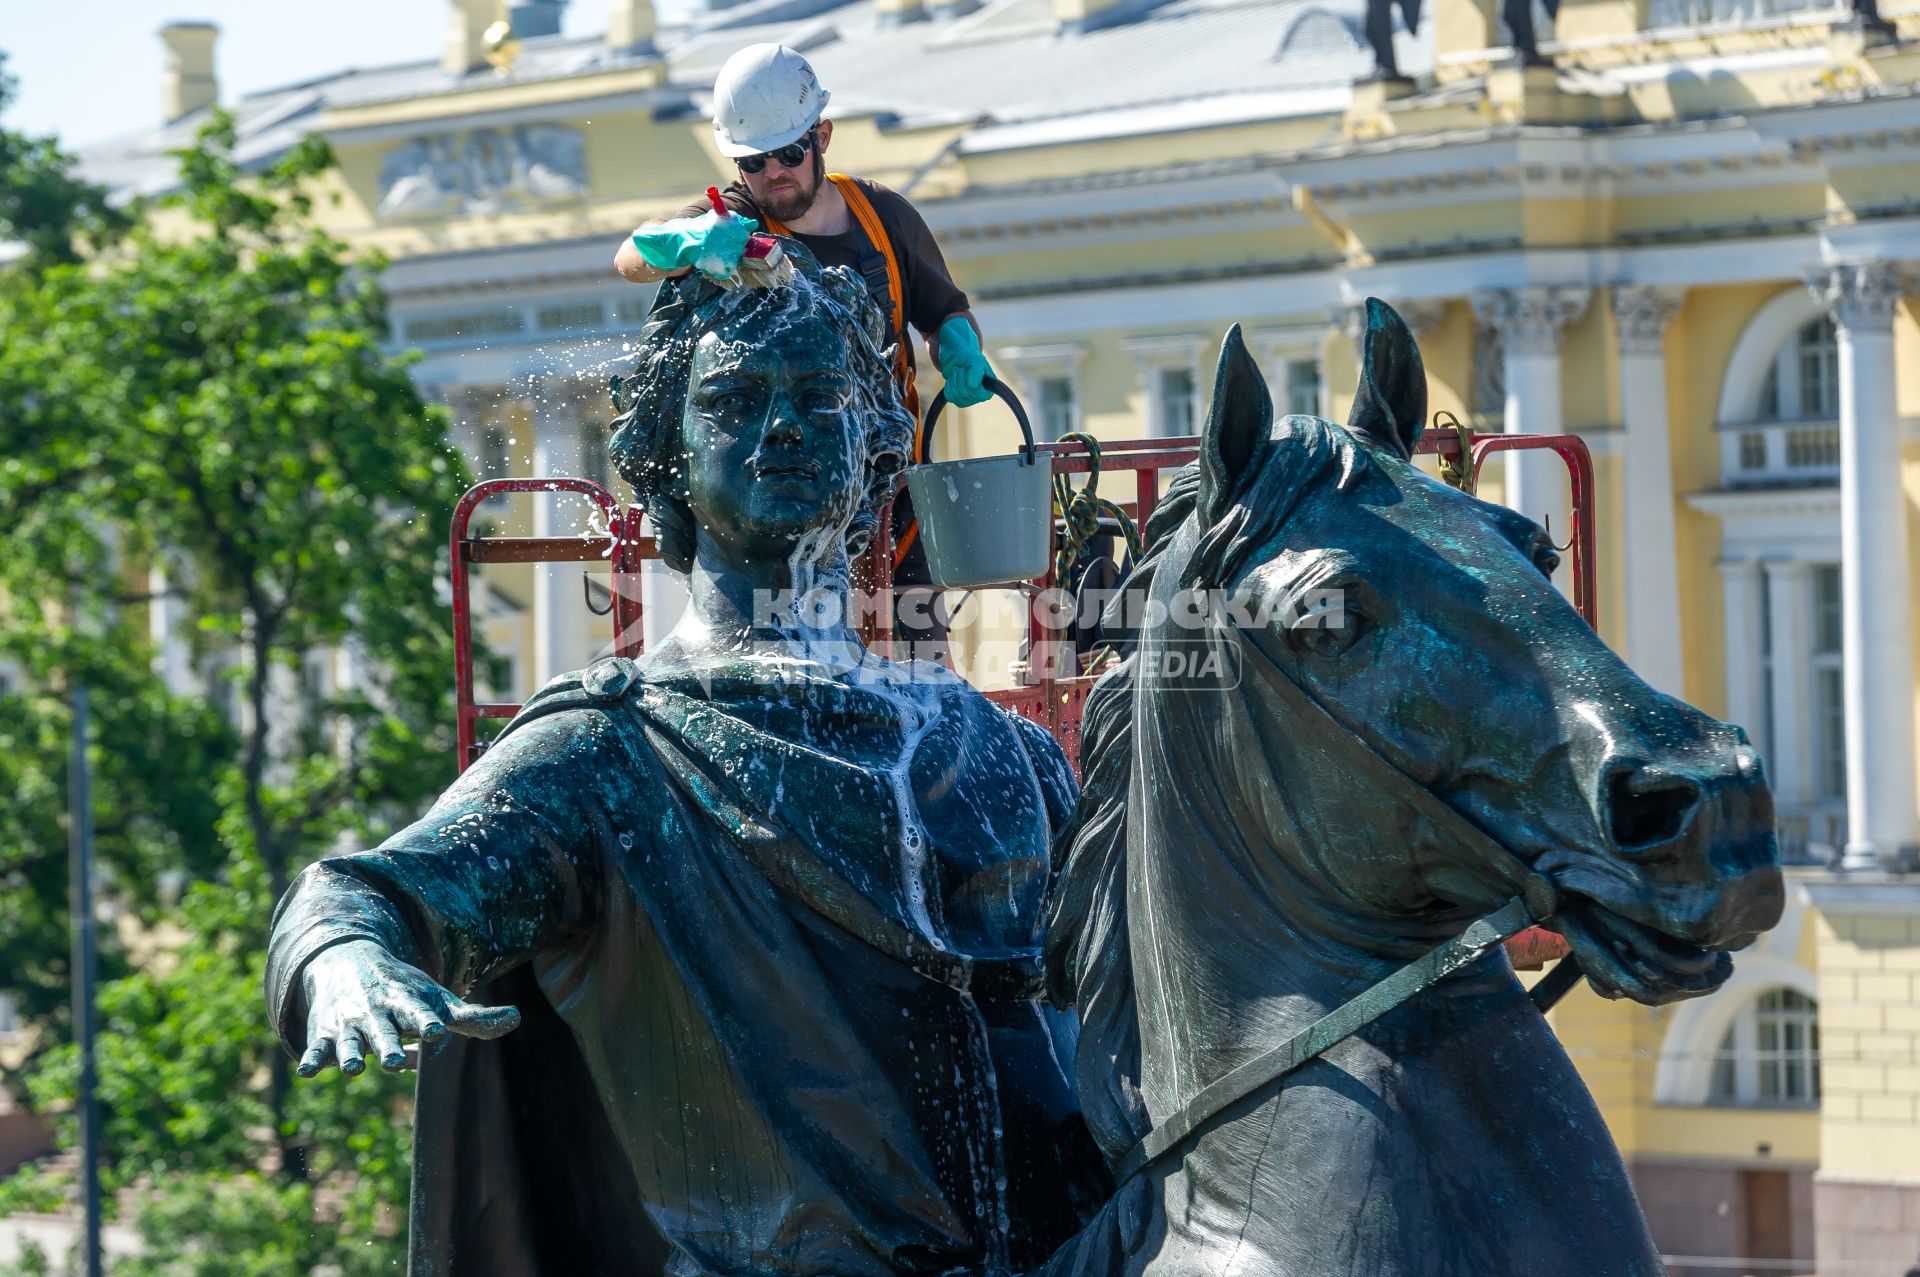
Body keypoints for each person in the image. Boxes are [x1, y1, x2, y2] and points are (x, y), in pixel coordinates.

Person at [266, 253, 1107, 1276]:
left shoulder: (1002, 753)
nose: (786, 424)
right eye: (736, 400)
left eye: (822, 396)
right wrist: (346, 960)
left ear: (877, 448)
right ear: (665, 456)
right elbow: (360, 893)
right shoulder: (608, 753)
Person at [614, 43, 992, 658]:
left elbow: (945, 309)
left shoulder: (884, 216)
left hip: (890, 491)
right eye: (754, 161)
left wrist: (958, 346)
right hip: (783, 509)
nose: (774, 174)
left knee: (926, 670)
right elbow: (631, 256)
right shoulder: (732, 221)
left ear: (822, 136)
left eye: (789, 153)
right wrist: (684, 244)